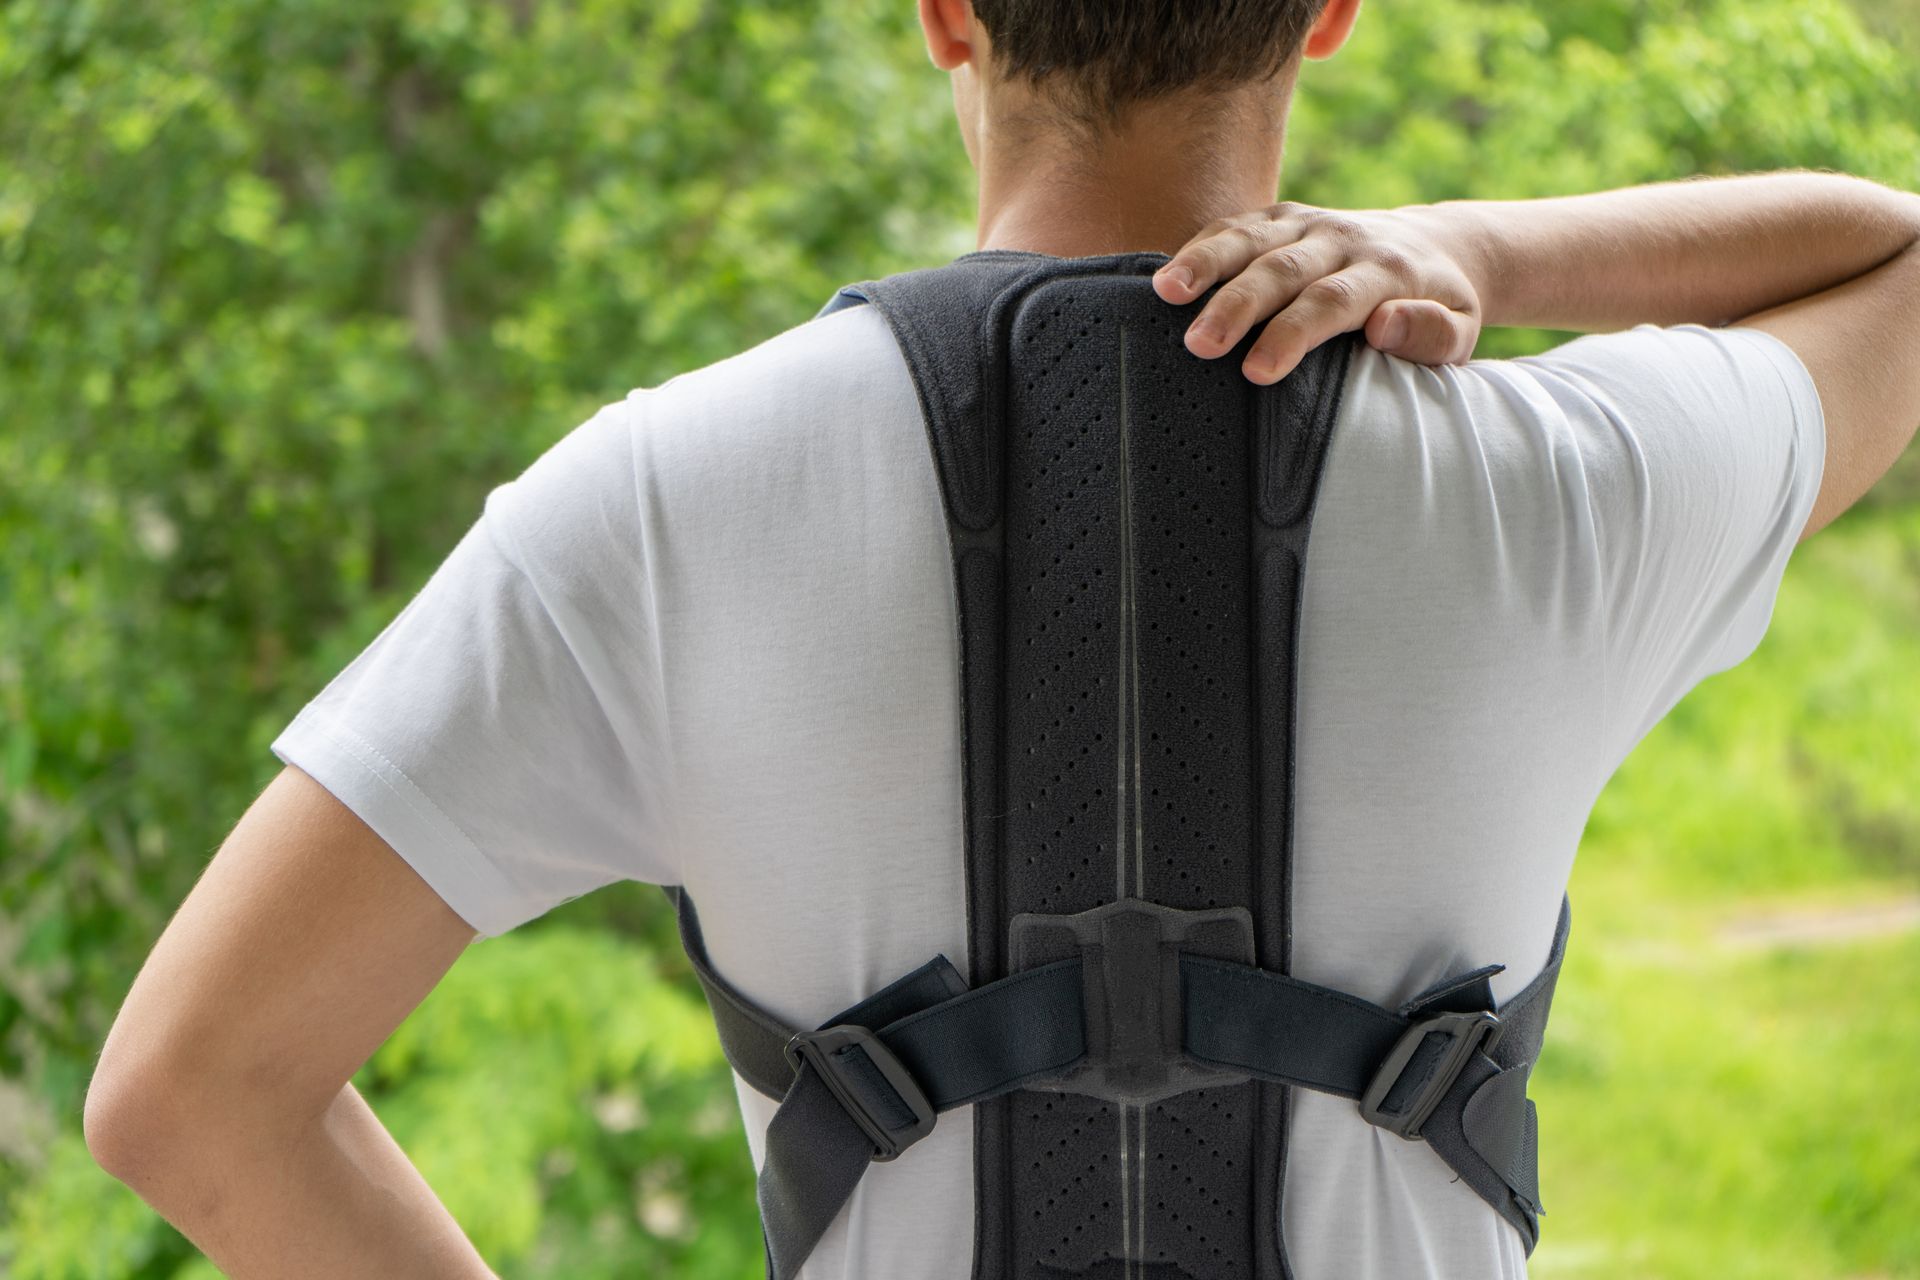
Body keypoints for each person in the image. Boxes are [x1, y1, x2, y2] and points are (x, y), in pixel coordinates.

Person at [82, 0, 1919, 1277]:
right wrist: (1479, 257)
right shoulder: (1551, 484)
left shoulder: (660, 501)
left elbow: (194, 1096)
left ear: (946, 17)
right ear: (1328, 16)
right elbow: (1895, 261)